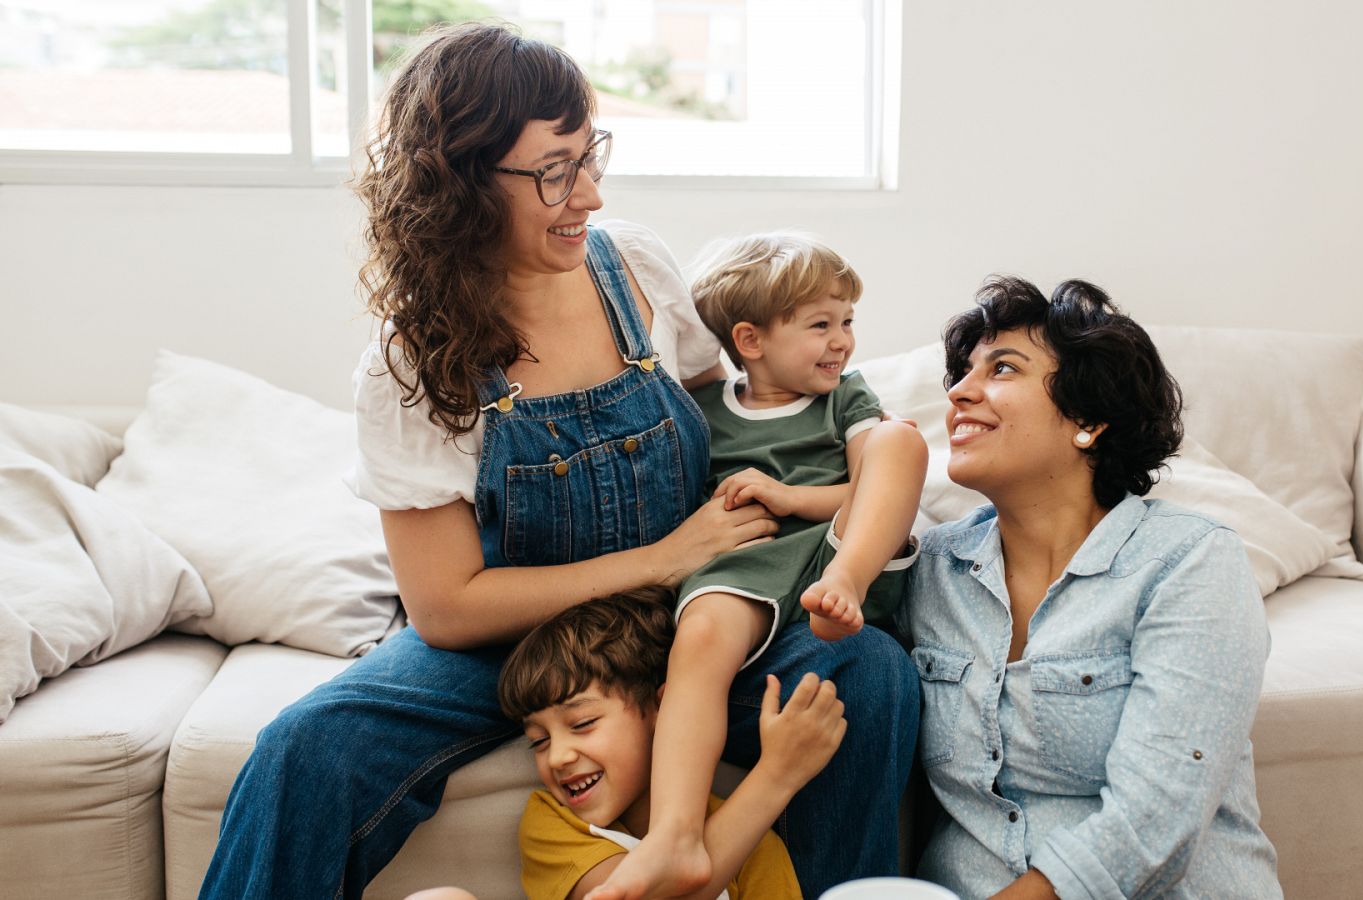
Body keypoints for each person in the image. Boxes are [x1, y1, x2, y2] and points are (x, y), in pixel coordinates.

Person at [196, 23, 919, 900]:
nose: (590, 195)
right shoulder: (412, 365)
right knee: (307, 748)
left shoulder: (639, 271)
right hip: (518, 641)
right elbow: (448, 608)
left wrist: (804, 509)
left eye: (590, 156)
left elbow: (725, 423)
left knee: (866, 675)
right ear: (459, 185)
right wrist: (658, 557)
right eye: (553, 171)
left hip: (695, 614)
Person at [901, 277, 1282, 898]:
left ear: (1089, 419)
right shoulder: (933, 569)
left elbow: (1155, 818)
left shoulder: (1187, 560)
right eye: (962, 374)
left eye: (1002, 369)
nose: (960, 394)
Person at [595, 233, 927, 899]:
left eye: (847, 322)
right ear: (750, 340)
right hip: (750, 561)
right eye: (820, 325)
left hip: (839, 550)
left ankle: (847, 587)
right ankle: (675, 834)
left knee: (899, 439)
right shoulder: (707, 413)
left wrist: (794, 497)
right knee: (703, 639)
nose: (843, 342)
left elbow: (873, 486)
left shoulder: (847, 400)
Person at [501, 586, 842, 900]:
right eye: (539, 741)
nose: (558, 757)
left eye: (583, 723)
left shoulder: (751, 840)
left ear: (663, 709)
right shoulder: (552, 824)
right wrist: (775, 778)